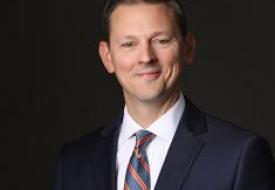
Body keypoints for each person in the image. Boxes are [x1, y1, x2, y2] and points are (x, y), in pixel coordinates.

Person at [53, 0, 275, 189]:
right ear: (107, 57)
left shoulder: (238, 156)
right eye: (129, 44)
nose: (146, 57)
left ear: (188, 49)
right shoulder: (74, 161)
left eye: (161, 41)